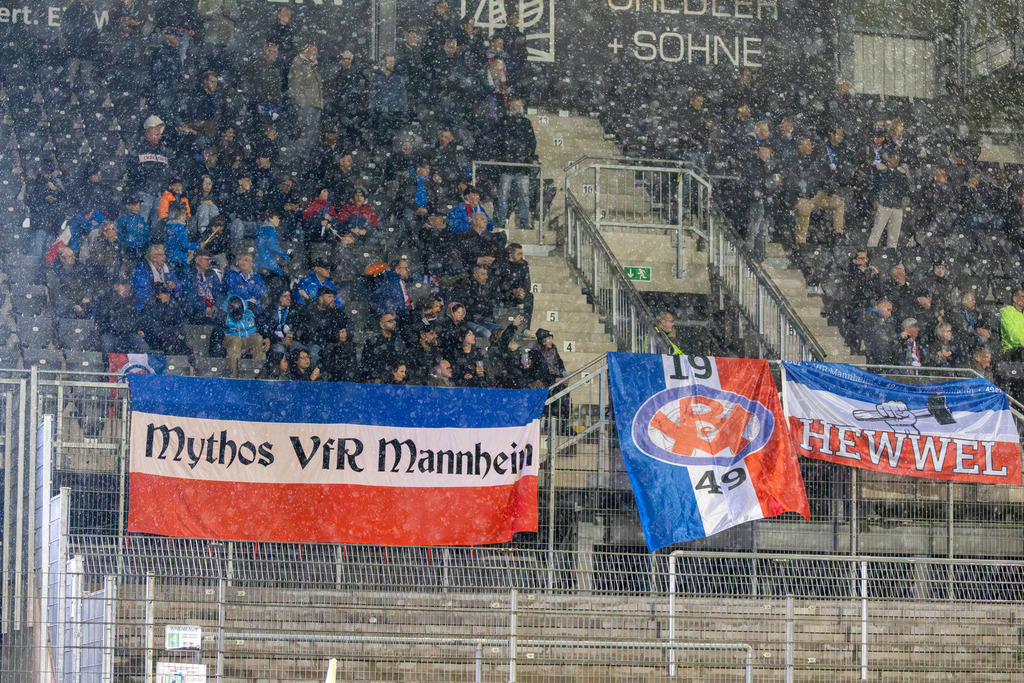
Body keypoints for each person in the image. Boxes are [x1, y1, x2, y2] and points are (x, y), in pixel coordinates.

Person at [495, 98, 537, 230]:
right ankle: (501, 221)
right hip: (507, 167)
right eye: (516, 106)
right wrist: (504, 157)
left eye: (520, 106)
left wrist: (527, 156)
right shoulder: (504, 122)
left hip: (522, 167)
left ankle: (524, 222)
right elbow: (499, 141)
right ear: (511, 108)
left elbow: (532, 142)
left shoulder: (526, 123)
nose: (518, 108)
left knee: (524, 197)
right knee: (503, 195)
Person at [868, 149, 911, 248]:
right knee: (876, 232)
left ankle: (891, 255)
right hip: (884, 204)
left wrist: (905, 201)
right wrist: (875, 199)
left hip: (897, 205)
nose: (895, 161)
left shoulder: (901, 172)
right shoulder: (879, 169)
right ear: (888, 159)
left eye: (897, 160)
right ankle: (870, 254)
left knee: (893, 237)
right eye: (893, 159)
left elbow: (906, 188)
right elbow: (874, 185)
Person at [288, 44, 324, 163]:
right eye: (313, 53)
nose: (315, 56)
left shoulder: (310, 64)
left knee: (311, 136)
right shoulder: (298, 63)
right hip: (307, 106)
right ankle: (297, 161)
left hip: (314, 105)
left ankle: (306, 160)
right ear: (306, 52)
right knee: (304, 136)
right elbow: (295, 86)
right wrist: (303, 105)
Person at [95, 278, 150, 353]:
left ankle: (138, 364)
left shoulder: (131, 300)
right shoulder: (106, 299)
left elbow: (134, 318)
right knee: (107, 347)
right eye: (124, 285)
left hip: (128, 334)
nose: (127, 287)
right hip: (110, 333)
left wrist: (138, 328)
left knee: (143, 347)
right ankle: (108, 364)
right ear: (116, 287)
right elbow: (104, 318)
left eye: (128, 285)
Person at [224, 295, 269, 378]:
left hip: (249, 337)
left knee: (258, 339)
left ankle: (258, 373)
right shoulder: (224, 314)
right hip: (232, 337)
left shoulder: (251, 311)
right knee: (235, 342)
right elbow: (218, 332)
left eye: (238, 306)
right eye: (233, 307)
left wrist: (266, 337)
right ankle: (233, 375)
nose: (236, 308)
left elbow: (262, 325)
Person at [361, 313, 406, 382]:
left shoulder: (399, 341)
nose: (394, 323)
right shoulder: (372, 343)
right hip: (380, 384)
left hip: (398, 383)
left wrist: (400, 373)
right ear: (382, 325)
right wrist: (389, 376)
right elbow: (368, 365)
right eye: (390, 321)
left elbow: (404, 361)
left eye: (394, 320)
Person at [133, 244, 179, 311]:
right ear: (152, 257)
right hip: (147, 309)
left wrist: (174, 287)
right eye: (160, 255)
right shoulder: (142, 270)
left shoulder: (168, 269)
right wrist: (157, 297)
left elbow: (179, 289)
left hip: (167, 308)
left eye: (164, 254)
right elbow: (140, 293)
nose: (164, 257)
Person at [164, 206, 200, 270]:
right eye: (185, 214)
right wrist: (198, 245)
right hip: (179, 258)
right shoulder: (180, 228)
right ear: (182, 215)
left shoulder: (168, 226)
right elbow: (184, 245)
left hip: (168, 257)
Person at [1000, 289, 1024, 362]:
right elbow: (1013, 336)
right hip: (1012, 351)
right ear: (1014, 298)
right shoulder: (1006, 313)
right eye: (1023, 296)